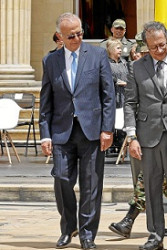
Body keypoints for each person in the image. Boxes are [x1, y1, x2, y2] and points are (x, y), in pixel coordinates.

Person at [39, 12, 115, 250]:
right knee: (61, 179)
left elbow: (108, 95)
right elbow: (46, 100)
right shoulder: (50, 61)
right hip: (62, 131)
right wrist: (45, 134)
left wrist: (107, 129)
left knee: (91, 185)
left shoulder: (97, 55)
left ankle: (87, 234)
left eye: (80, 33)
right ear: (60, 36)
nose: (77, 38)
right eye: (71, 35)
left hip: (92, 131)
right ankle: (68, 227)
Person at [108, 37, 167, 240]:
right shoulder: (136, 68)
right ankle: (156, 234)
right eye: (152, 48)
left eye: (162, 45)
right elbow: (131, 102)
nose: (158, 50)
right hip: (148, 135)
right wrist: (132, 136)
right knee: (150, 185)